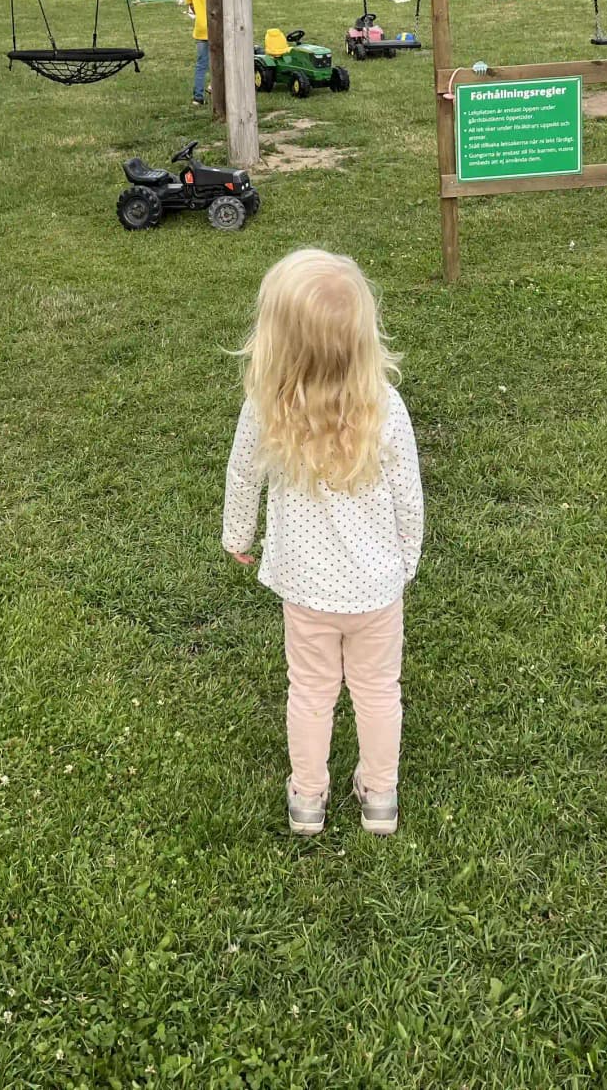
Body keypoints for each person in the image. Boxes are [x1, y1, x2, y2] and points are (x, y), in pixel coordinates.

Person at [221, 249, 424, 837]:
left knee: (310, 691)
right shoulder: (386, 408)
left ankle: (308, 799)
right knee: (379, 690)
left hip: (305, 590)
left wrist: (238, 534)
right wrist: (405, 558)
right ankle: (379, 797)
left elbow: (242, 474)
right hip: (377, 592)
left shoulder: (267, 409)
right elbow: (409, 496)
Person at [182, 0, 208, 106]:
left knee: (201, 64)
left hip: (200, 27)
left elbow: (190, 4)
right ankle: (217, 87)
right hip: (218, 27)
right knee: (224, 60)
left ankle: (198, 97)